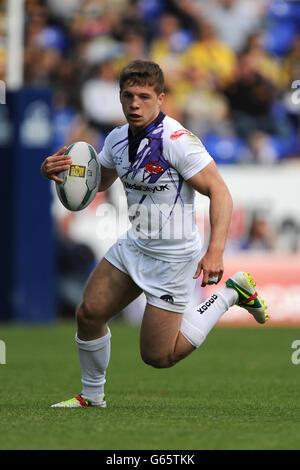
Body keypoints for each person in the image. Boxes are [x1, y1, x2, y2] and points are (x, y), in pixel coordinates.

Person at [41, 60, 268, 408]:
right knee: (89, 313)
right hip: (135, 245)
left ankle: (231, 294)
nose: (135, 104)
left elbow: (220, 191)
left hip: (173, 258)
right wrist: (59, 172)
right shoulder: (117, 139)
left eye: (144, 97)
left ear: (160, 98)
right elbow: (97, 182)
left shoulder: (178, 141)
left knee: (159, 357)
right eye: (128, 96)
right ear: (119, 98)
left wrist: (215, 251)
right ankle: (92, 397)